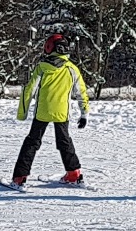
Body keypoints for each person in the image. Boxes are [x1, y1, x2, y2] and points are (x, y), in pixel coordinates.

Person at [11, 32, 90, 187]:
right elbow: (81, 92)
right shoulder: (72, 69)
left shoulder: (41, 67)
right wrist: (84, 114)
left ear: (49, 48)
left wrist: (22, 113)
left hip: (42, 112)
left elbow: (29, 90)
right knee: (64, 141)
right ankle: (73, 174)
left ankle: (19, 178)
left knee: (32, 142)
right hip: (62, 112)